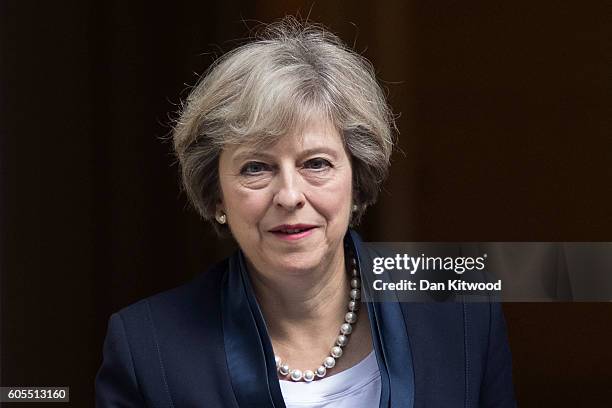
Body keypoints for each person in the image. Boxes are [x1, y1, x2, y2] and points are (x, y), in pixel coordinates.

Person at [95, 17, 516, 407]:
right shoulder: (147, 347)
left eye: (316, 163)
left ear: (357, 177)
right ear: (217, 195)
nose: (290, 195)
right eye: (256, 168)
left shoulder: (461, 310)